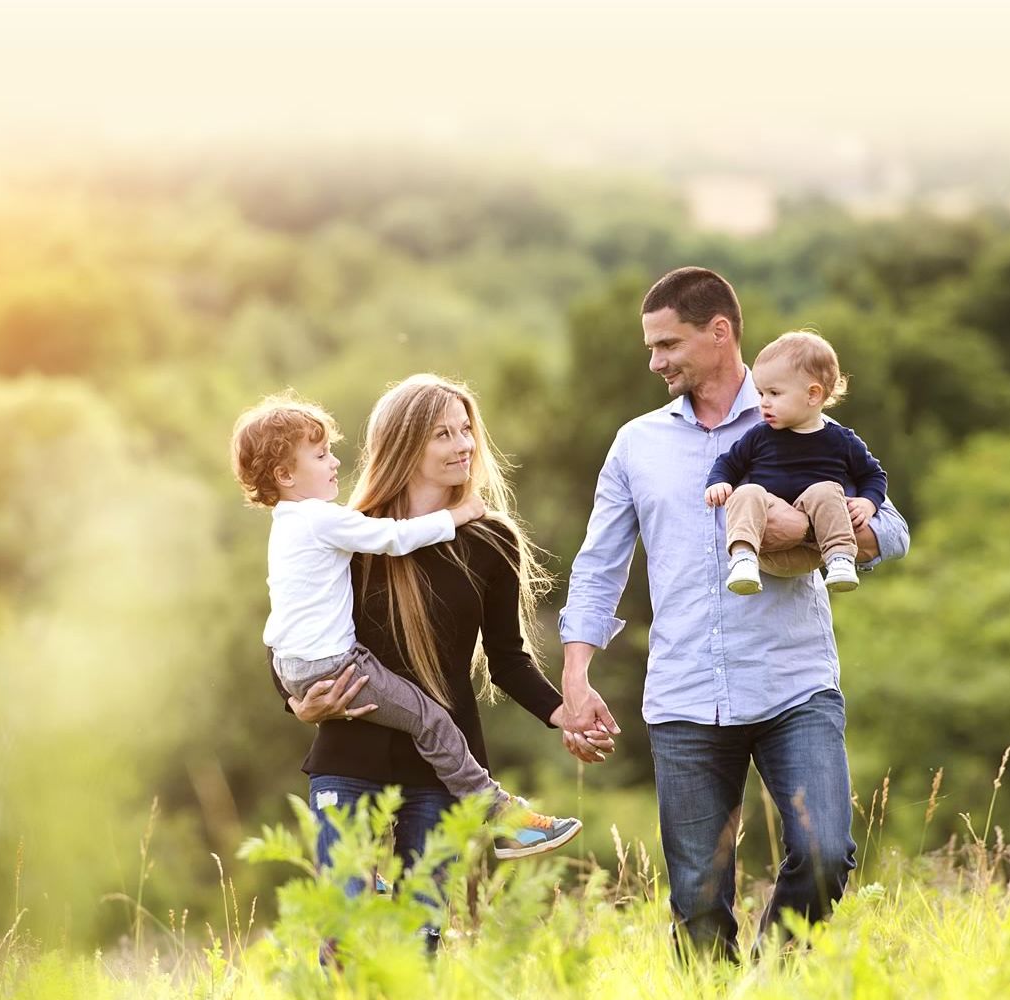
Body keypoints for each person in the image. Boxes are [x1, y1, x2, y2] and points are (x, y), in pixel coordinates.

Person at [558, 267, 910, 960]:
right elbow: (599, 564)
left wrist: (821, 533)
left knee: (824, 853)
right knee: (697, 898)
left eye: (667, 344)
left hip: (794, 684)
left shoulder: (811, 425)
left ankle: (768, 979)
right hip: (686, 694)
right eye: (651, 347)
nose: (655, 361)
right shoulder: (637, 444)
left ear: (719, 333)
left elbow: (893, 530)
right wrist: (576, 676)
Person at [270, 375, 613, 922]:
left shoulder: (491, 539)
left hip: (441, 770)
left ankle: (501, 816)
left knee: (420, 937)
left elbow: (507, 659)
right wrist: (297, 703)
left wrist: (564, 712)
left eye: (465, 431)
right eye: (442, 434)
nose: (463, 445)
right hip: (348, 756)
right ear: (405, 444)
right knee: (344, 932)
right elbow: (291, 627)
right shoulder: (352, 533)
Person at [704, 330, 888, 596]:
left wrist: (868, 502)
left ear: (813, 395)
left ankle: (841, 559)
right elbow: (728, 463)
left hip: (817, 551)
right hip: (767, 547)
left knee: (826, 490)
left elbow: (873, 475)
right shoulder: (760, 435)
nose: (763, 403)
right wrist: (719, 482)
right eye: (760, 393)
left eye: (774, 393)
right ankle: (742, 558)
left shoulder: (841, 440)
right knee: (748, 492)